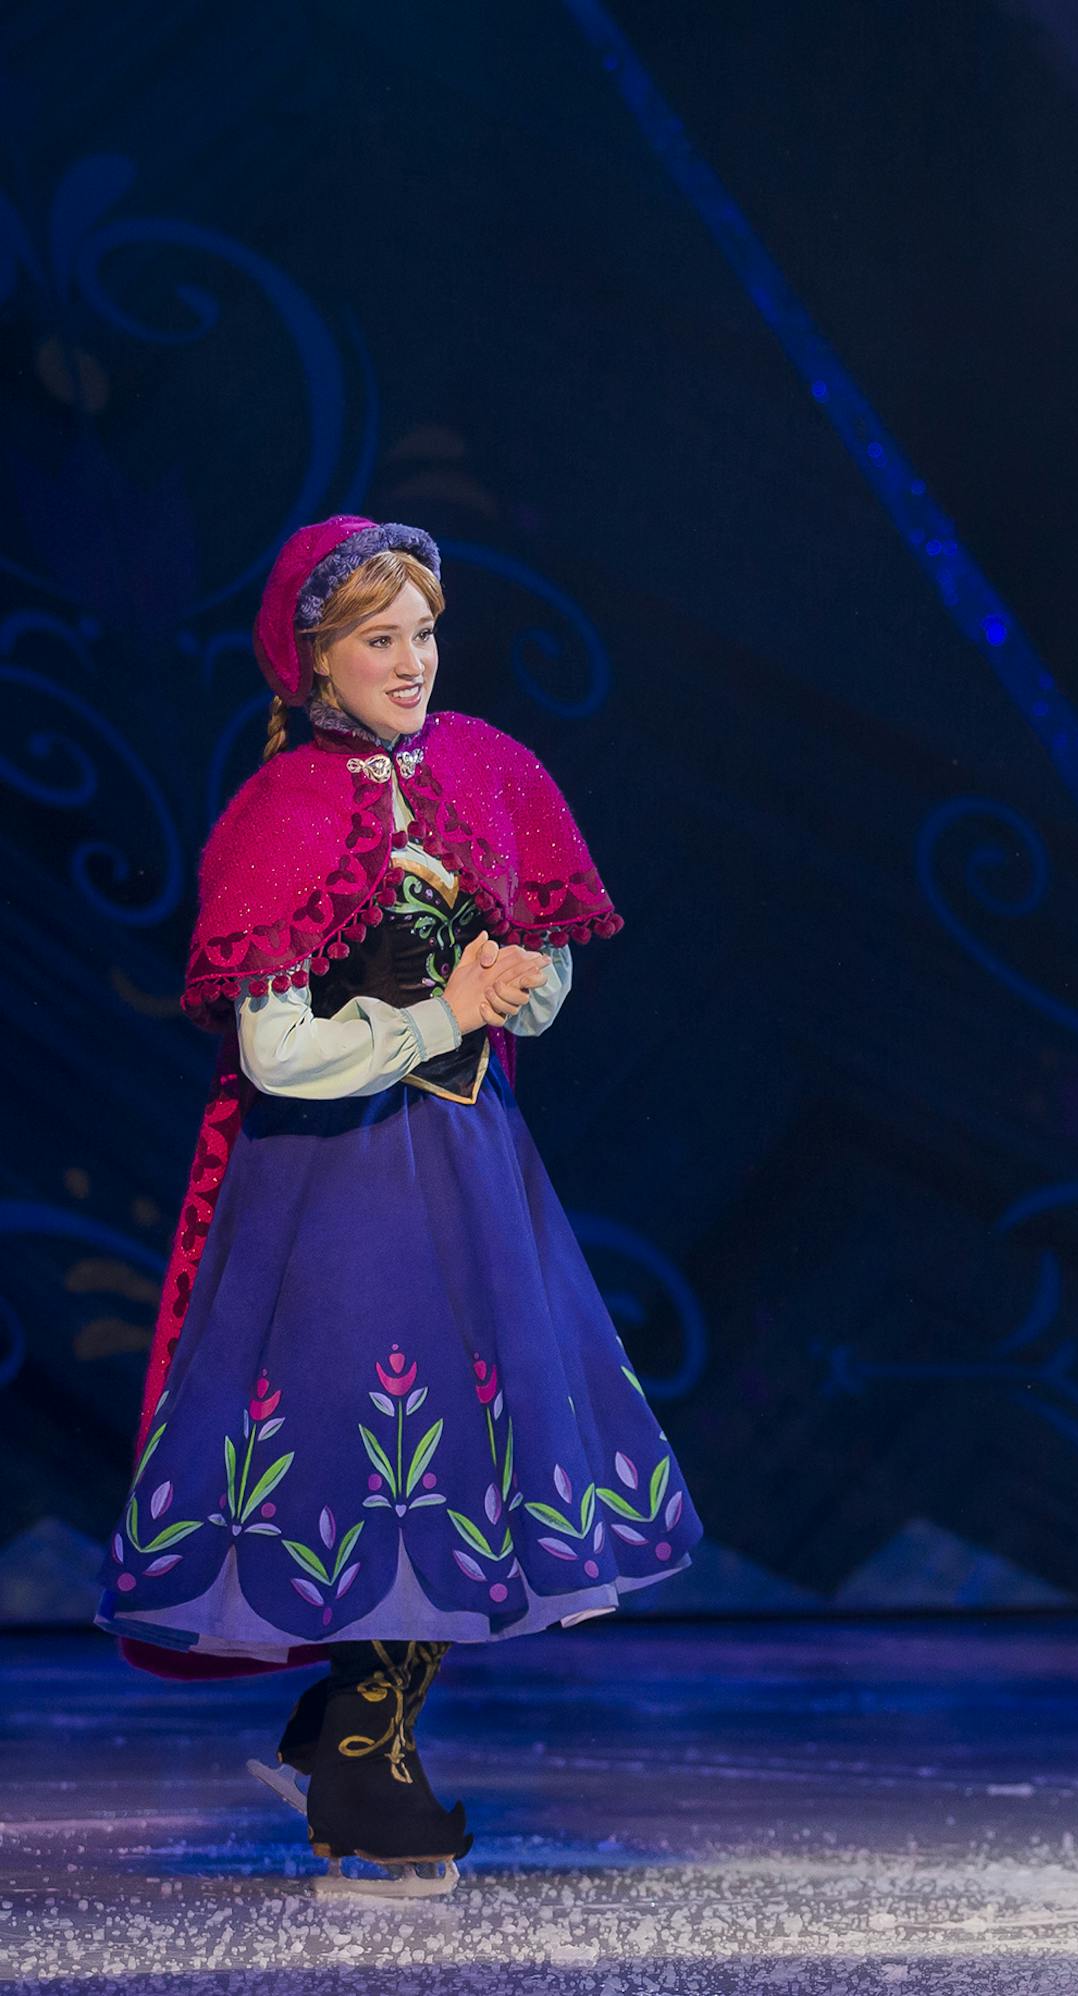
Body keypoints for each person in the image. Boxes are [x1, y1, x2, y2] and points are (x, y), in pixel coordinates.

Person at [95, 516, 701, 1894]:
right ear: (317, 659)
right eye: (381, 639)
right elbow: (275, 1051)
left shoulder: (486, 769)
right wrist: (443, 1010)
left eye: (425, 633)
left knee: (475, 1457)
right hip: (337, 1182)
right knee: (371, 1456)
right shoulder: (284, 813)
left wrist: (513, 985)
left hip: (473, 1166)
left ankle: (349, 1733)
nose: (414, 661)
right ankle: (363, 1762)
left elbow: (539, 984)